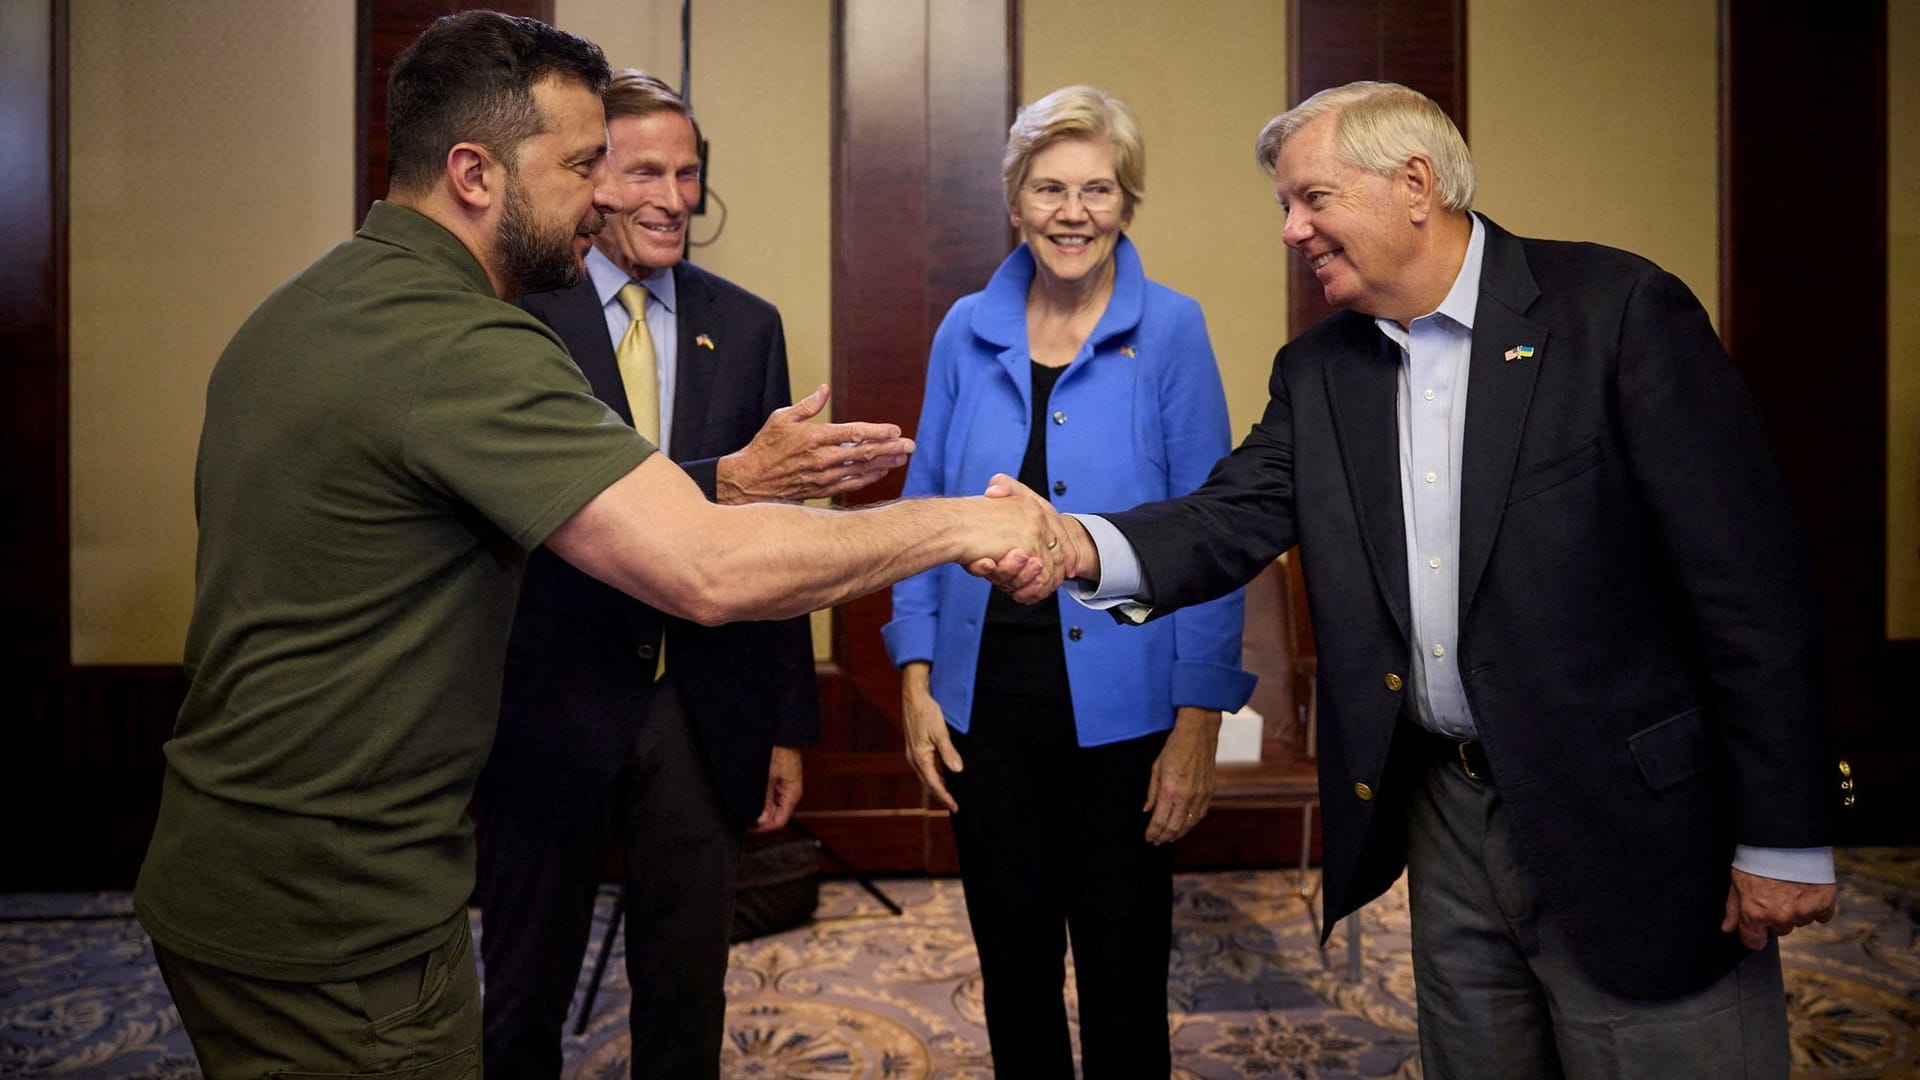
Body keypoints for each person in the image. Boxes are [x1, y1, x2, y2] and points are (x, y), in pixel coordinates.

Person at [131, 13, 1066, 1077]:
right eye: (583, 166)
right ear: (477, 173)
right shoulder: (467, 344)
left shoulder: (309, 308)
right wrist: (966, 520)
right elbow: (707, 570)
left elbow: (490, 496)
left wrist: (732, 479)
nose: (612, 196)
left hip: (227, 869)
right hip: (341, 916)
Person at [1006, 81, 1840, 1078]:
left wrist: (1785, 835)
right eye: (1284, 205)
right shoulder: (1320, 373)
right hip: (1447, 817)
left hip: (1632, 823)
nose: (1291, 230)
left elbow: (1751, 583)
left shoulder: (1613, 314)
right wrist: (1074, 547)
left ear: (1413, 183)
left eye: (1311, 198)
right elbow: (1226, 519)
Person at [474, 70, 906, 1079]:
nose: (673, 197)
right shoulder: (516, 318)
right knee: (521, 992)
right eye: (642, 173)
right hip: (549, 695)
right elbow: (543, 511)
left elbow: (775, 535)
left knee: (685, 988)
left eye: (689, 173)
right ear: (588, 182)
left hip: (700, 701)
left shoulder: (746, 325)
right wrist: (732, 478)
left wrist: (784, 723)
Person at [883, 85, 1255, 1078]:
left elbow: (1212, 537)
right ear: (1015, 201)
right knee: (1013, 969)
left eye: (1098, 189)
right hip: (984, 706)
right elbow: (923, 509)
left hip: (1127, 719)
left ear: (1127, 204)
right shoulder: (965, 327)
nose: (1072, 211)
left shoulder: (1173, 330)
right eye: (1049, 187)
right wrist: (915, 675)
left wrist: (1197, 723)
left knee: (1125, 974)